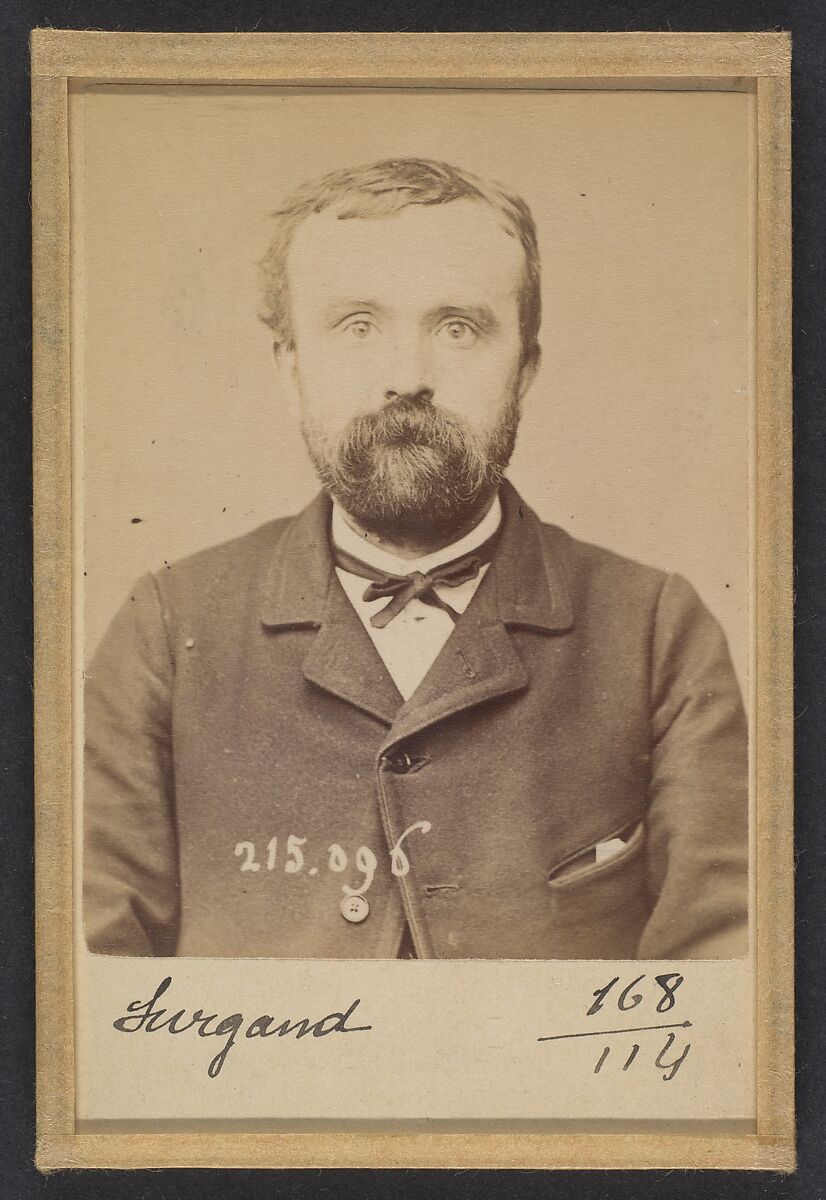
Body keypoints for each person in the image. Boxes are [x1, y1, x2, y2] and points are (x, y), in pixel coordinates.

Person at [84, 157, 748, 960]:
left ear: (525, 371)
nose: (407, 377)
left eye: (458, 328)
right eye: (358, 326)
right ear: (291, 369)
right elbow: (87, 990)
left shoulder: (657, 633)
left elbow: (723, 991)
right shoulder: (165, 627)